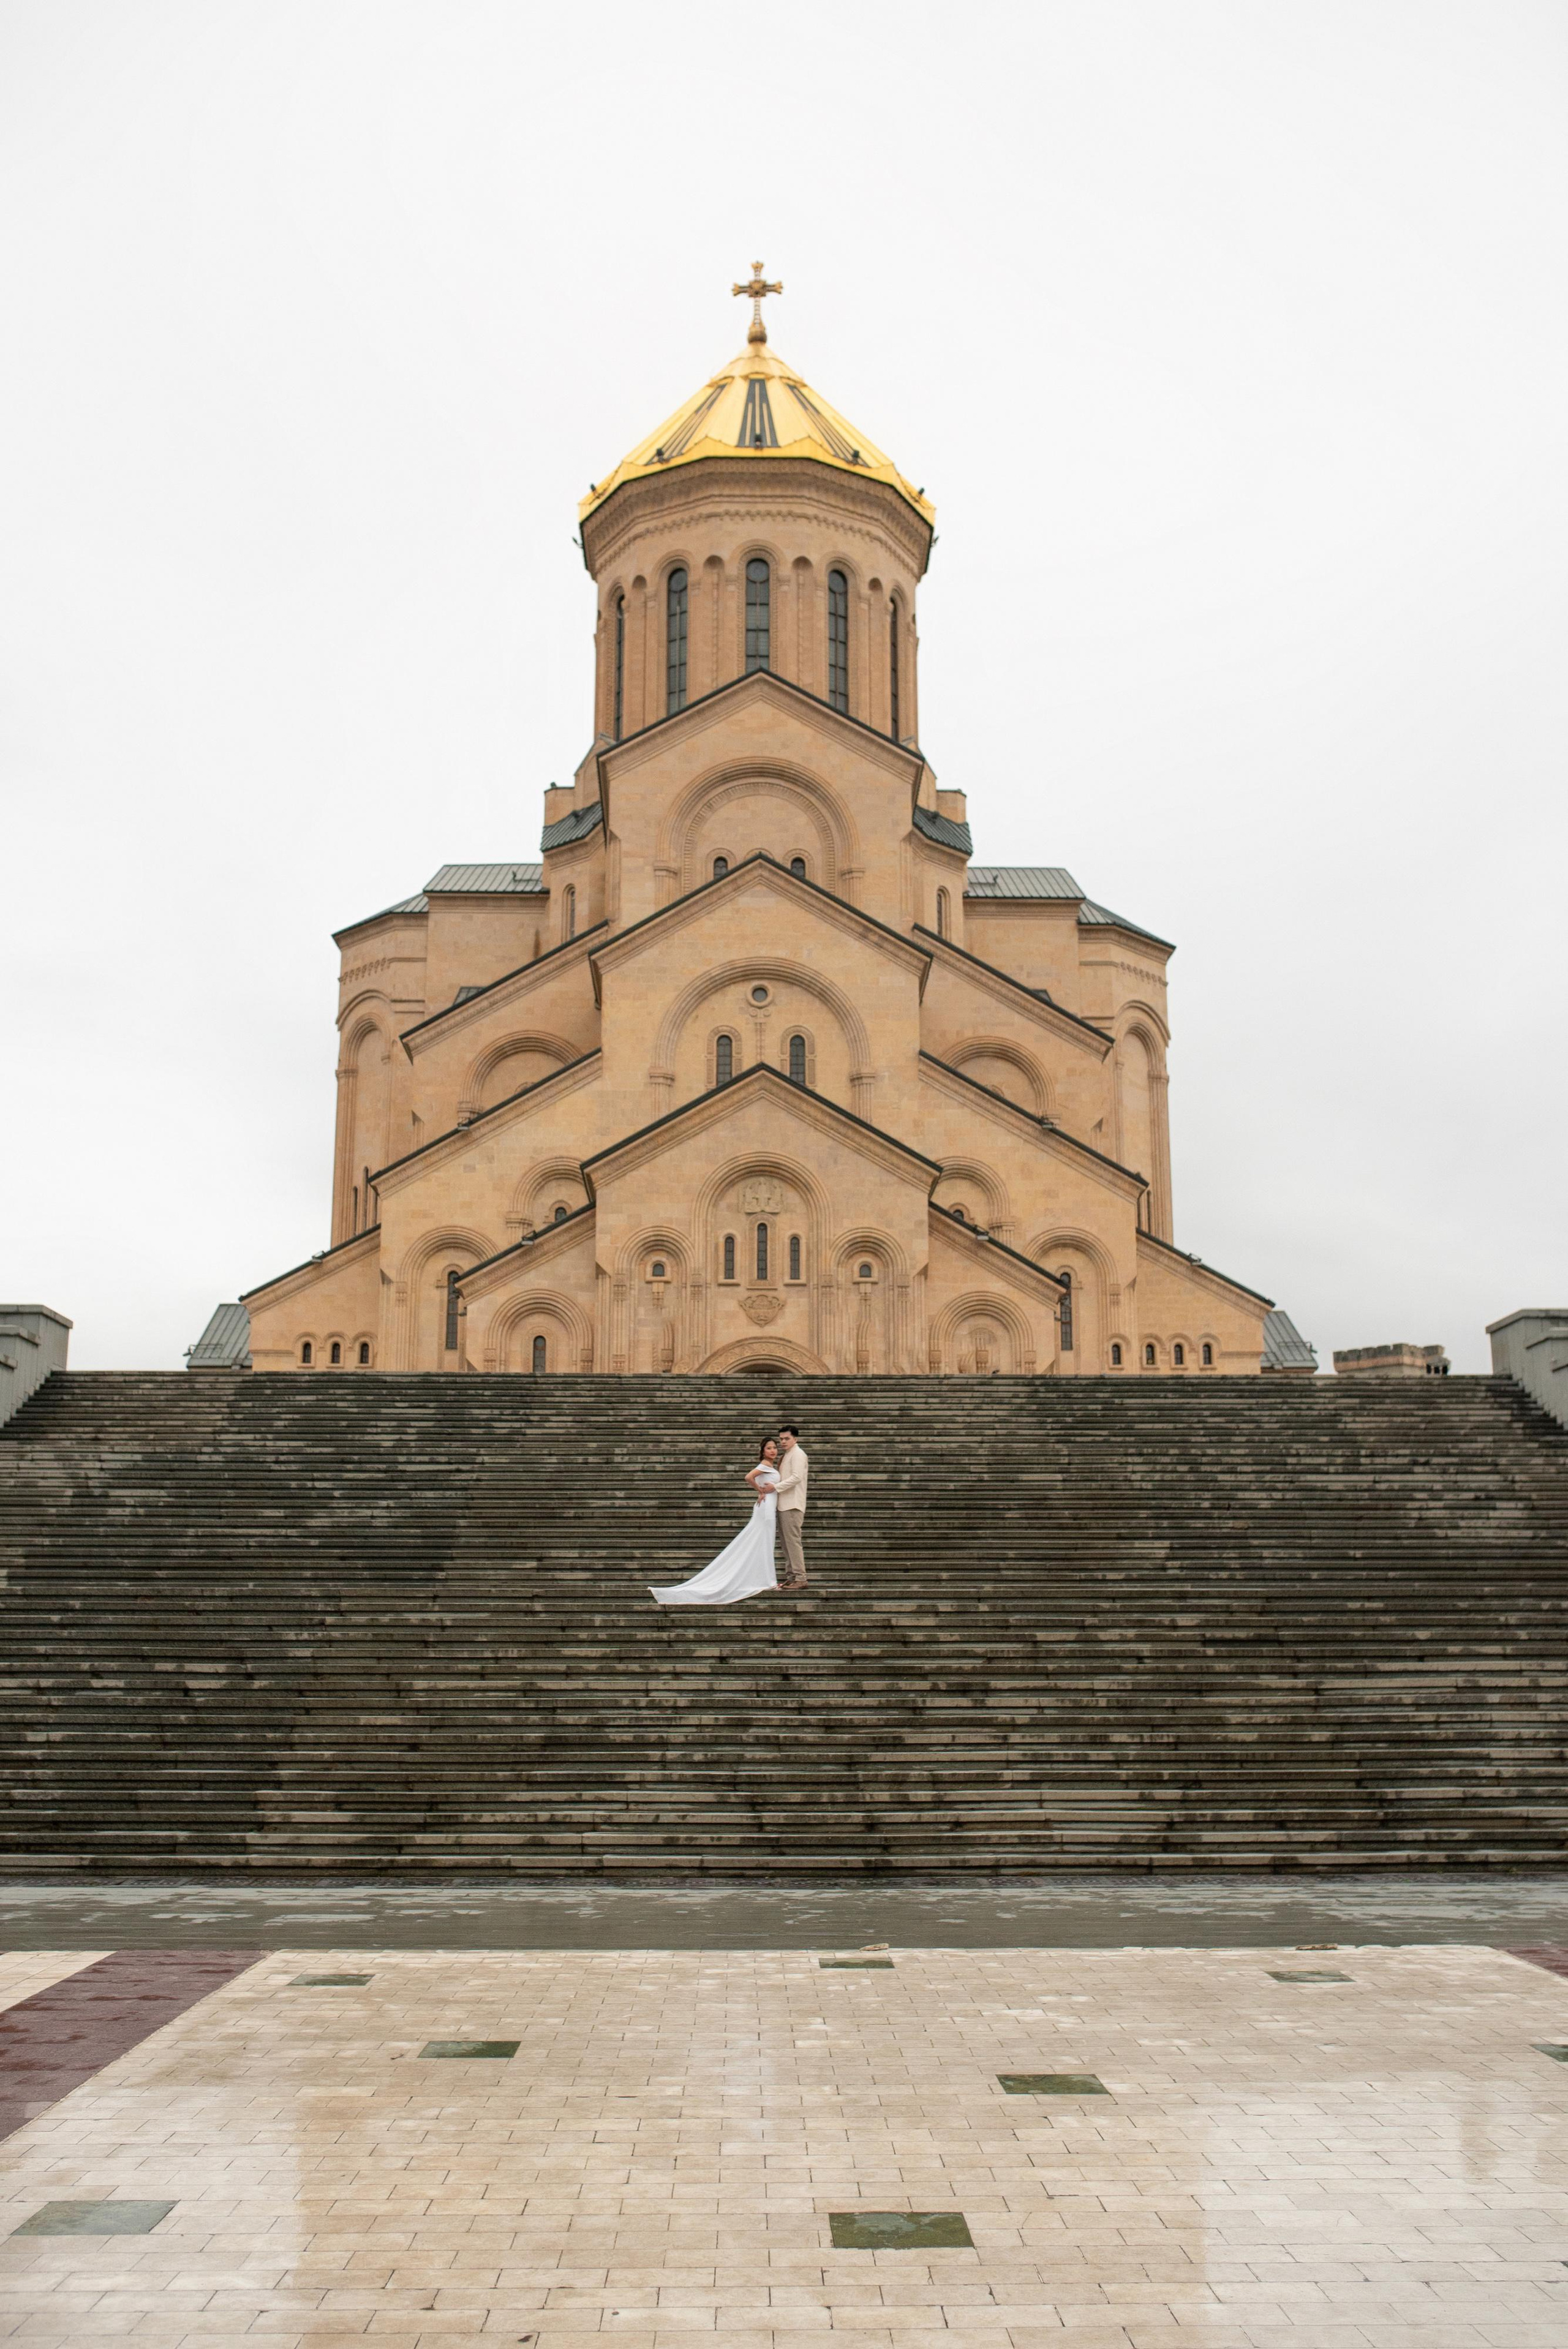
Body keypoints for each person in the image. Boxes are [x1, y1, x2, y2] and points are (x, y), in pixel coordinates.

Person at [648, 1437, 782, 1605]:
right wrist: (760, 1490)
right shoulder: (765, 1465)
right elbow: (748, 1477)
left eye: (774, 1448)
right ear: (763, 1451)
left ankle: (767, 1578)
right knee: (763, 1542)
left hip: (769, 1507)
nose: (773, 1451)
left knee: (764, 1542)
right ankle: (768, 1580)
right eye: (769, 1448)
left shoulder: (770, 1466)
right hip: (766, 1506)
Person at [774, 1424, 809, 1591]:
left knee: (793, 1542)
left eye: (787, 1438)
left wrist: (776, 1487)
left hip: (793, 1504)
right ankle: (791, 1576)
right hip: (784, 1504)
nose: (783, 1442)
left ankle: (800, 1577)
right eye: (781, 1439)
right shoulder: (788, 1455)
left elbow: (796, 1477)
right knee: (786, 1543)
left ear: (795, 1438)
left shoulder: (798, 1454)